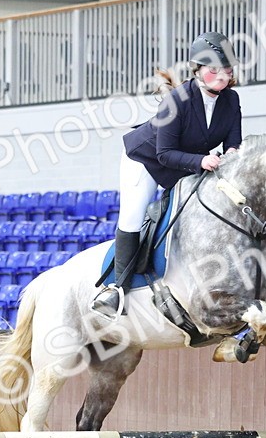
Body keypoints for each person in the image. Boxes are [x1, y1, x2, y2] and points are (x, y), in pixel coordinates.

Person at [92, 31, 244, 317]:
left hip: (189, 162)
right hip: (146, 160)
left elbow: (234, 141)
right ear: (197, 70)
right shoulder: (178, 100)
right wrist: (203, 161)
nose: (222, 76)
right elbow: (164, 154)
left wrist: (233, 154)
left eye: (226, 70)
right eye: (213, 70)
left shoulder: (231, 100)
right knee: (134, 215)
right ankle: (115, 290)